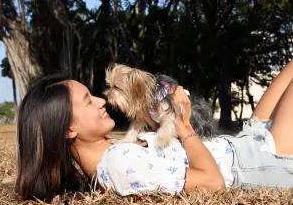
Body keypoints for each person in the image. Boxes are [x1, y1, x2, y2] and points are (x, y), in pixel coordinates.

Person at [16, 61, 293, 200]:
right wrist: (183, 125)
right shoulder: (119, 165)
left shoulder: (117, 152)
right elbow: (213, 182)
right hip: (254, 162)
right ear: (68, 130)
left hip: (241, 144)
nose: (102, 101)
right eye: (89, 100)